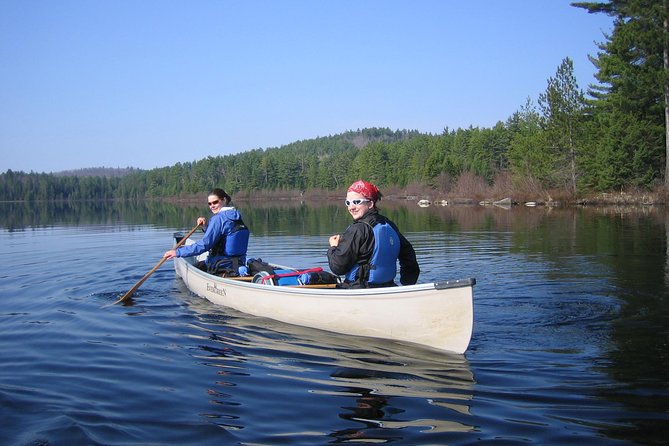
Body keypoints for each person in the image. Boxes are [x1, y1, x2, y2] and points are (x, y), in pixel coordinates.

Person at [327, 180, 419, 288]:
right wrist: (407, 283)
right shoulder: (389, 225)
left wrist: (333, 247)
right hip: (389, 287)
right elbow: (409, 256)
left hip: (359, 289)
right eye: (348, 203)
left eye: (356, 202)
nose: (351, 207)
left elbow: (338, 267)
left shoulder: (357, 229)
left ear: (370, 203)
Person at [164, 188, 250, 274]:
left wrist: (177, 252)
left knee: (195, 268)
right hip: (238, 264)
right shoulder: (236, 216)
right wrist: (205, 227)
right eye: (209, 204)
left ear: (224, 200)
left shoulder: (218, 218)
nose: (212, 206)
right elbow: (223, 238)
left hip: (221, 265)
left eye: (215, 202)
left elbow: (205, 245)